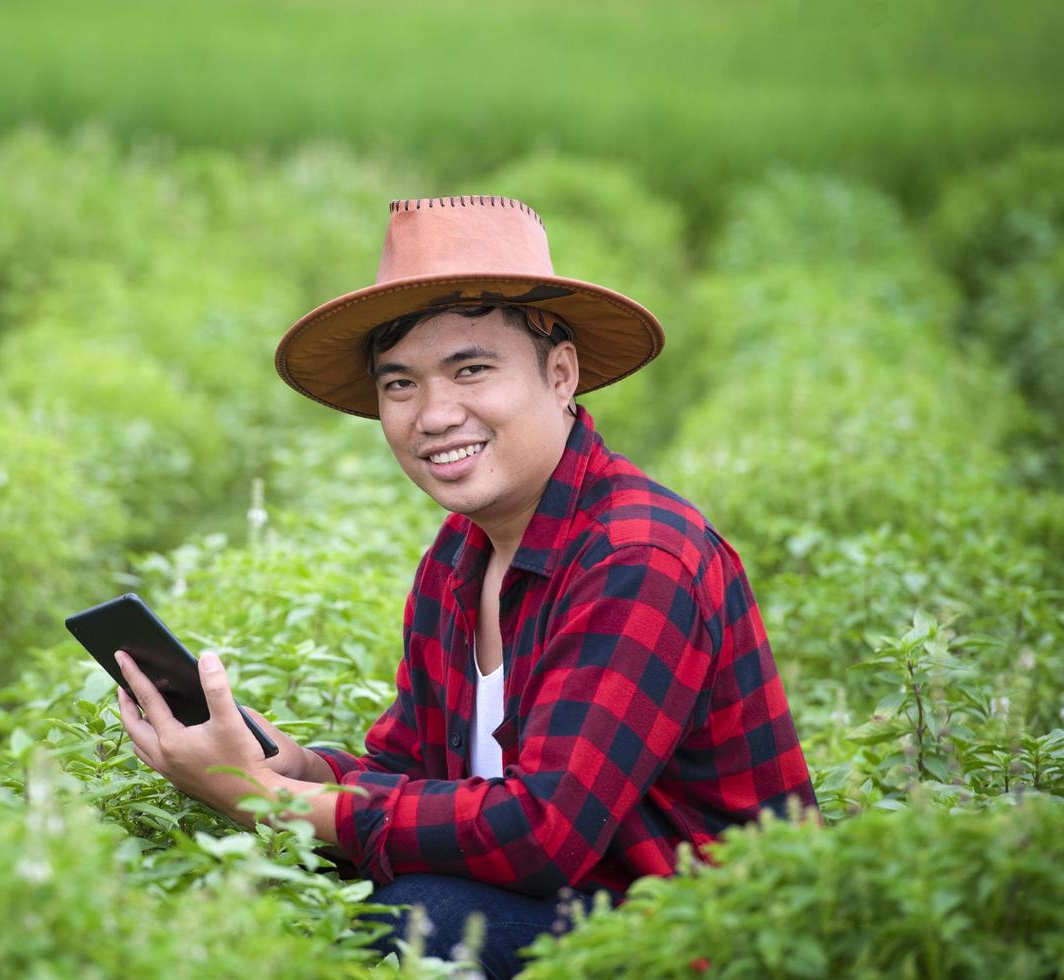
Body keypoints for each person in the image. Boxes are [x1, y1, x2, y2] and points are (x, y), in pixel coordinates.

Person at [114, 195, 817, 978]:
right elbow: (415, 775)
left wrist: (260, 800)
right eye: (401, 385)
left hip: (708, 939)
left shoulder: (638, 555)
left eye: (471, 369)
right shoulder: (460, 557)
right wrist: (300, 769)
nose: (435, 414)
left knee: (424, 920)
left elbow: (542, 832)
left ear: (560, 374)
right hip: (584, 905)